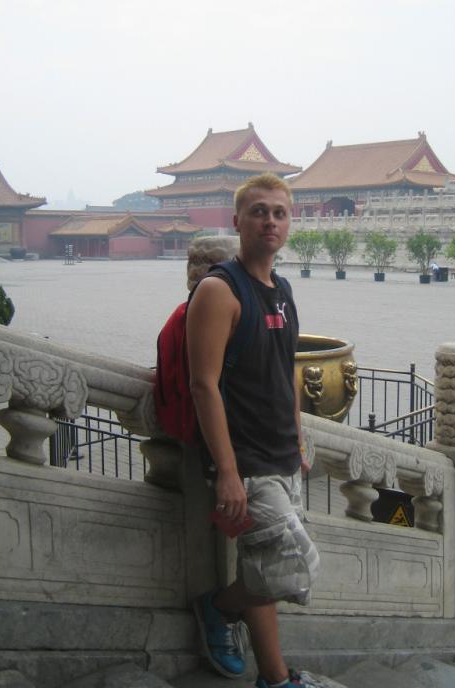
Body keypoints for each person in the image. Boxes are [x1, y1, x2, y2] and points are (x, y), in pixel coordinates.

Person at [187, 172, 320, 688]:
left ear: (290, 224)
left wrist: (298, 432)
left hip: (284, 454)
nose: (270, 220)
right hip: (245, 461)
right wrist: (226, 472)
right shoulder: (221, 290)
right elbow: (204, 384)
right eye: (259, 211)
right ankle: (274, 675)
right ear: (237, 219)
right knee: (286, 567)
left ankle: (221, 610)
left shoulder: (281, 290)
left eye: (280, 212)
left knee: (274, 567)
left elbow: (286, 365)